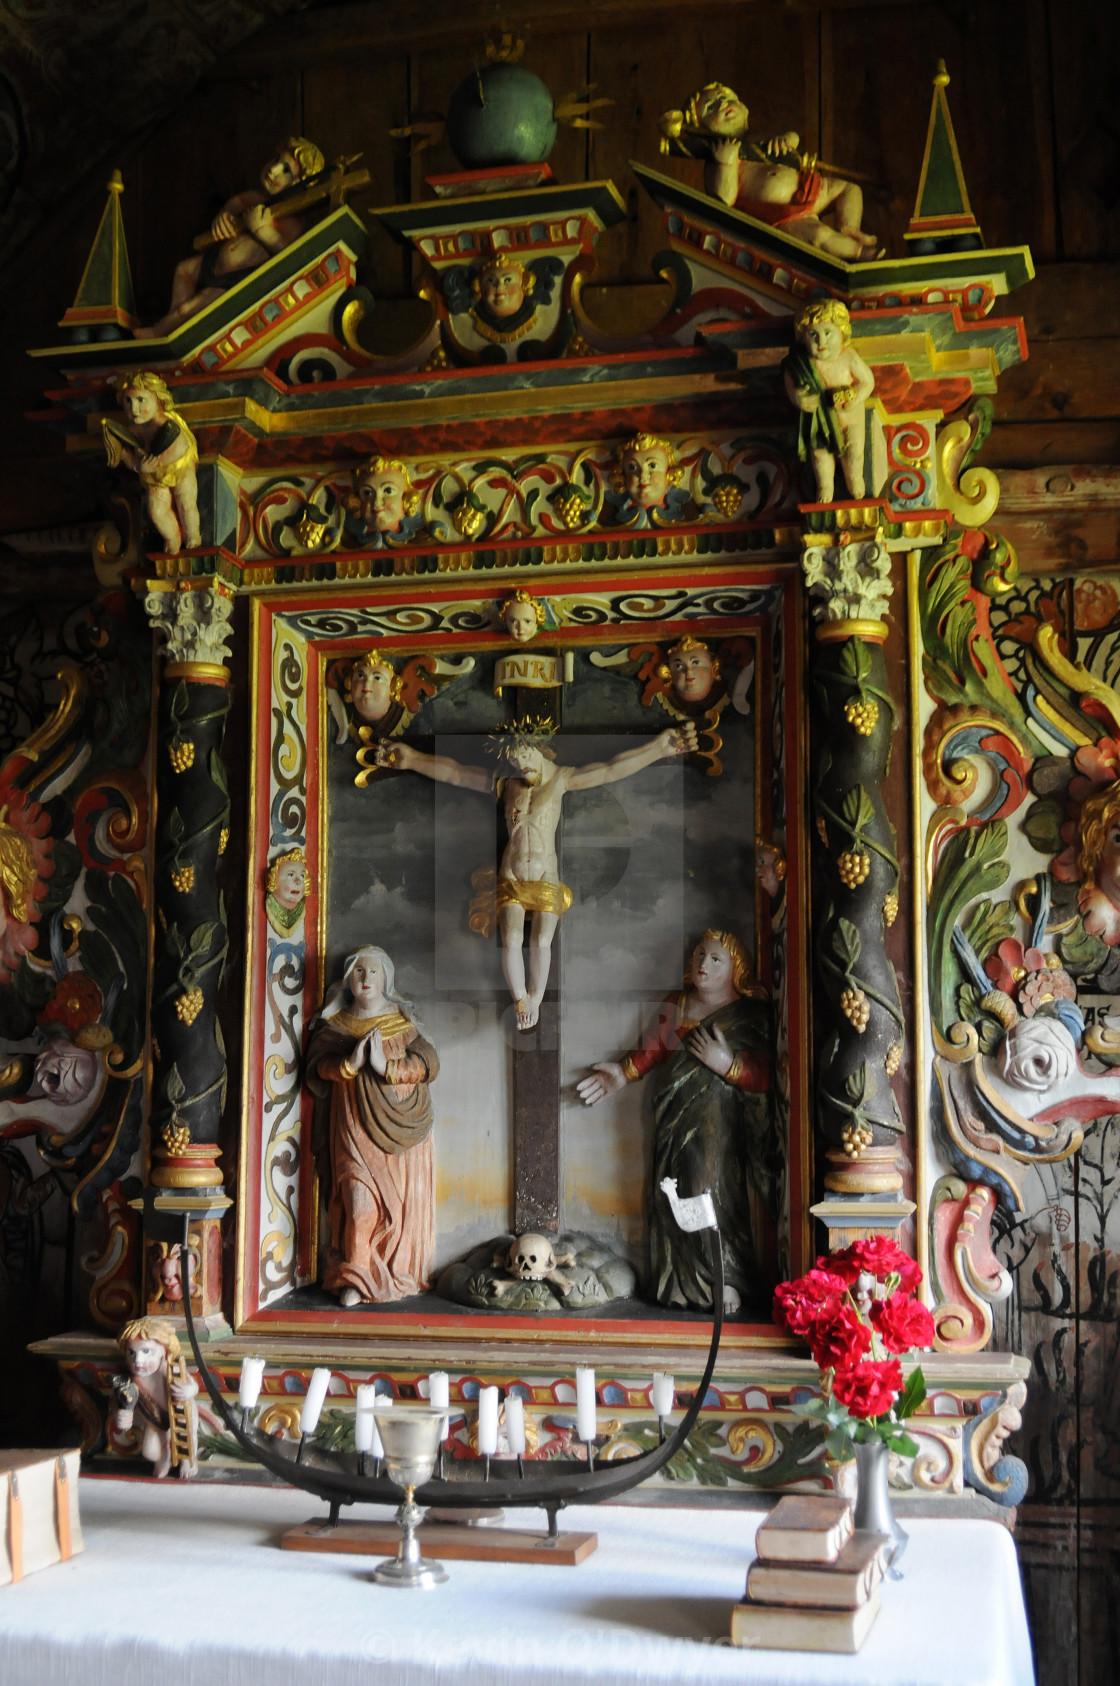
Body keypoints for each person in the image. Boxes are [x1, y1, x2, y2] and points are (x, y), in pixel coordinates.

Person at [376, 716, 697, 1030]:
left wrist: (658, 748)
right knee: (512, 938)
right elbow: (456, 774)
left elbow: (611, 769)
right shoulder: (506, 782)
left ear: (538, 749)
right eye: (515, 763)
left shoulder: (562, 778)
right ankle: (521, 1001)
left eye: (525, 759)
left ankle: (536, 998)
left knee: (542, 939)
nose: (521, 768)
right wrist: (413, 759)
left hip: (545, 874)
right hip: (512, 873)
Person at [577, 929, 775, 1315]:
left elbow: (766, 1076)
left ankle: (723, 1277)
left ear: (737, 969)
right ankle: (677, 1283)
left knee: (708, 1189)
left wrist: (728, 1065)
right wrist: (622, 1074)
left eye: (716, 959)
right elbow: (652, 1049)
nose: (703, 964)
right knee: (670, 1192)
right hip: (672, 1117)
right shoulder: (678, 1004)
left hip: (717, 1122)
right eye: (700, 954)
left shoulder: (750, 1015)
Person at [304, 946, 438, 1306]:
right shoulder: (336, 1026)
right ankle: (355, 1276)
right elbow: (317, 1066)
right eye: (358, 972)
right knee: (360, 1209)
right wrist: (349, 1063)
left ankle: (390, 1268)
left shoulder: (401, 1022)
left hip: (398, 1136)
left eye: (373, 972)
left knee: (394, 1209)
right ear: (348, 979)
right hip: (350, 1131)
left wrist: (385, 1067)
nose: (365, 979)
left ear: (386, 980)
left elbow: (428, 1063)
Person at [137, 136, 325, 339]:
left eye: (286, 170)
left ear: (300, 183)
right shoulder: (254, 198)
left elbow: (289, 254)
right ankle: (176, 330)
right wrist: (222, 218)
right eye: (276, 160)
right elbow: (232, 207)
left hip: (235, 281)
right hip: (214, 262)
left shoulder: (293, 220)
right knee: (183, 271)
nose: (273, 169)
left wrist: (262, 230)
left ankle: (159, 332)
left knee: (188, 309)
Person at [661, 83, 877, 260]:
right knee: (820, 235)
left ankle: (850, 228)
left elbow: (792, 137)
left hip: (811, 186)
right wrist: (725, 164)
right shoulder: (716, 161)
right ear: (701, 131)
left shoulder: (757, 138)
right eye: (711, 107)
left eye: (725, 98)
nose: (722, 104)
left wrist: (786, 140)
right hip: (784, 216)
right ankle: (860, 253)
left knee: (850, 188)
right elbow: (723, 203)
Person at [782, 299, 875, 502]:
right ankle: (825, 486)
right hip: (819, 422)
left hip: (850, 418)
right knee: (819, 456)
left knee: (854, 453)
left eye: (827, 333)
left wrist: (855, 396)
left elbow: (867, 382)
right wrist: (798, 398)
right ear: (803, 338)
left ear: (842, 332)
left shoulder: (848, 356)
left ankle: (855, 478)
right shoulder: (800, 363)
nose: (821, 342)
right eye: (813, 334)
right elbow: (791, 383)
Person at [102, 372, 200, 553]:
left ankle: (193, 535)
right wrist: (139, 466)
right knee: (156, 511)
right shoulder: (133, 430)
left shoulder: (163, 423)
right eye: (128, 401)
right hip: (153, 476)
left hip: (179, 468)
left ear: (157, 399)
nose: (134, 409)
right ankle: (172, 538)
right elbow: (128, 457)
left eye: (141, 400)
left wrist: (157, 461)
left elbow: (181, 446)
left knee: (185, 501)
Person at [112, 1316, 198, 1478]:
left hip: (181, 1416)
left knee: (187, 1439)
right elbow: (121, 1404)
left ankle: (188, 1461)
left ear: (163, 1352)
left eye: (146, 1352)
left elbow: (193, 1385)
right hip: (154, 1421)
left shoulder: (170, 1370)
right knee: (149, 1451)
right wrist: (122, 1415)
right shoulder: (129, 1379)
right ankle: (165, 1458)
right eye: (132, 1352)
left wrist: (190, 1390)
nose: (138, 1360)